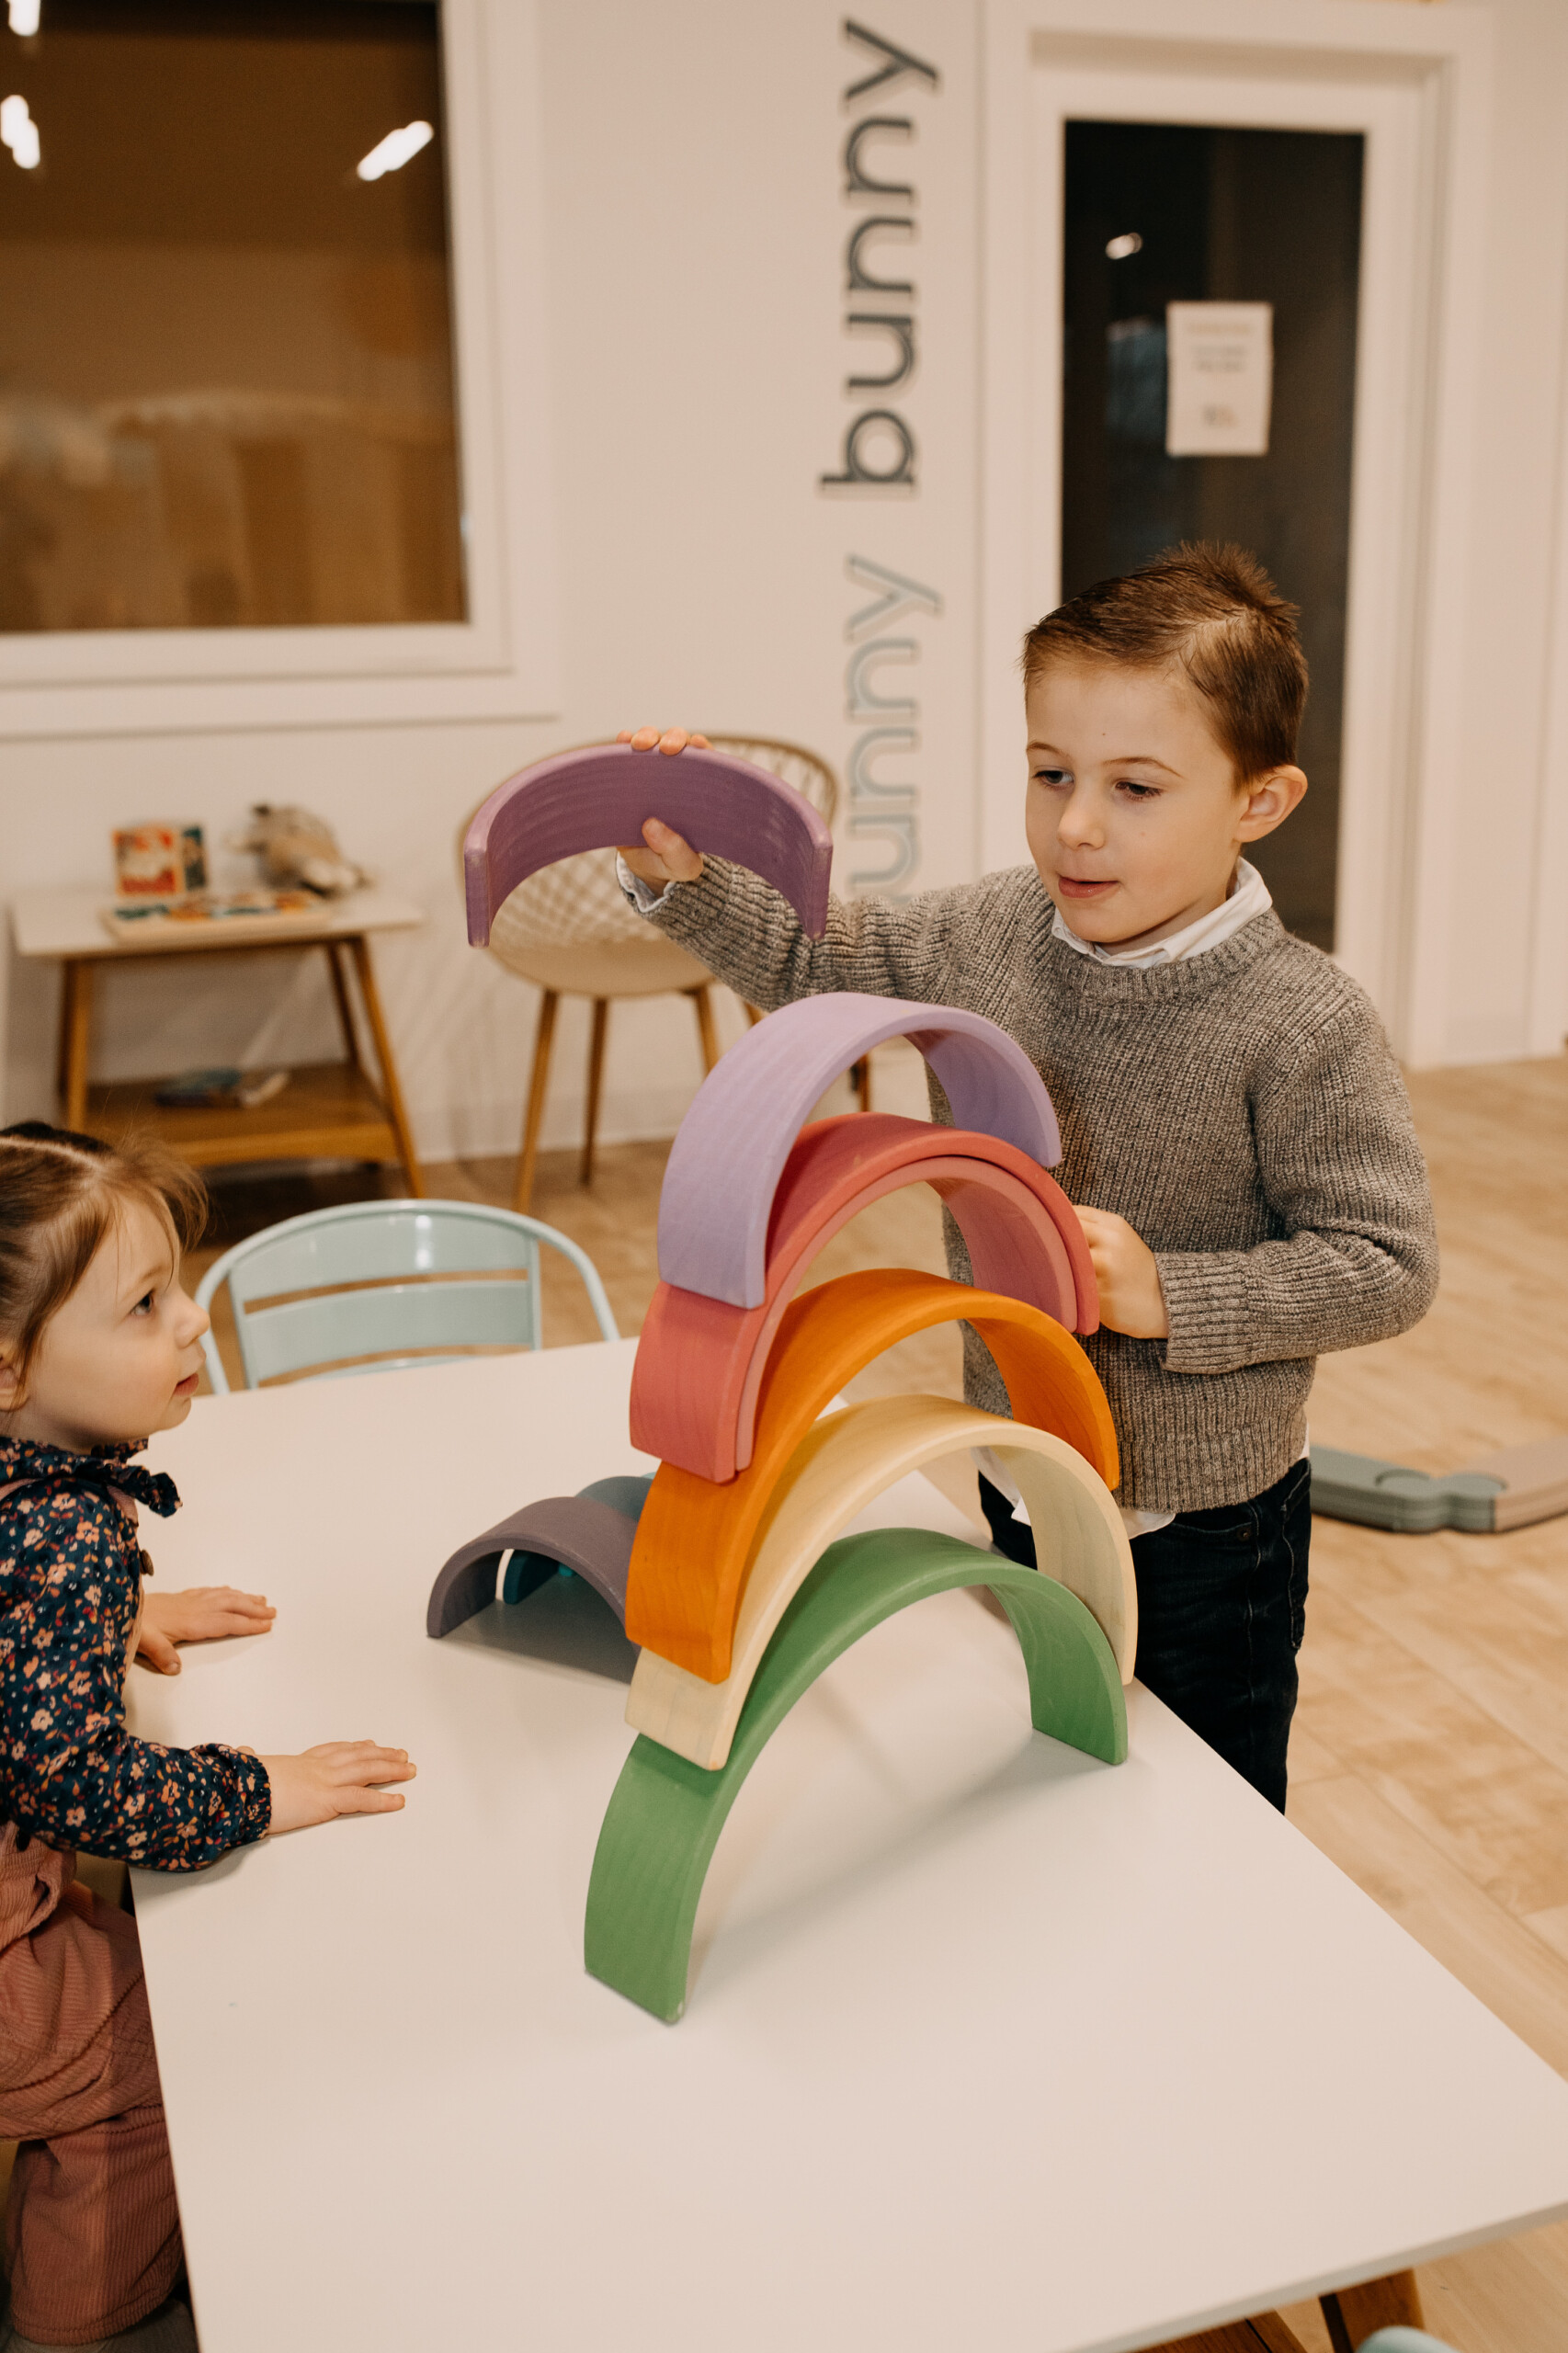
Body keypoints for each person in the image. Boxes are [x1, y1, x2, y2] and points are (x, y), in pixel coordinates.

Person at [614, 542, 1437, 1813]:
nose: (1076, 825)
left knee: (1202, 1800)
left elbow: (1383, 1266)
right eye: (1049, 772)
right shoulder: (979, 933)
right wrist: (686, 874)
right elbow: (808, 956)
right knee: (1056, 1763)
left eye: (1136, 787)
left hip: (1200, 1526)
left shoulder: (1301, 1018)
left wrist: (1171, 1290)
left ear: (1258, 803)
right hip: (1011, 1464)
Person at [0, 1122, 415, 2353]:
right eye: (142, 1305)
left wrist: (121, 1609)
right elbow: (77, 1783)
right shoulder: (56, 1545)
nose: (190, 1319)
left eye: (175, 1284)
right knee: (175, 2041)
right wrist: (256, 1788)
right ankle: (84, 2321)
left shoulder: (40, 1517)